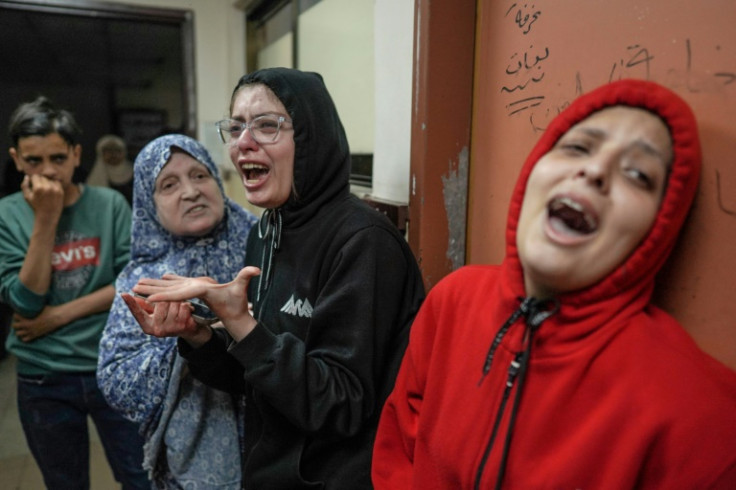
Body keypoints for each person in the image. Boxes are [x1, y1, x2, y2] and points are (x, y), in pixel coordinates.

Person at [371, 79, 736, 489]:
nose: (595, 170)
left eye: (637, 174)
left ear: (656, 230)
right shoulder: (452, 301)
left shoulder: (700, 416)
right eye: (578, 147)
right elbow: (400, 447)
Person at [123, 68, 426, 489]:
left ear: (311, 137)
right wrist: (198, 336)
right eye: (235, 126)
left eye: (267, 125)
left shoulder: (363, 243)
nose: (243, 142)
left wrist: (242, 324)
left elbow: (341, 405)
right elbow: (257, 378)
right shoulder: (266, 230)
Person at [0, 96, 149, 489]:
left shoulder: (110, 205)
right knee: (65, 483)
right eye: (33, 161)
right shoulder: (7, 214)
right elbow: (25, 301)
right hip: (44, 377)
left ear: (76, 154)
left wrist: (58, 316)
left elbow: (132, 281)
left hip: (111, 363)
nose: (48, 171)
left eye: (58, 158)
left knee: (140, 475)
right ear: (16, 159)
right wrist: (46, 218)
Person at [97, 134, 258, 488]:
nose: (190, 191)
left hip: (280, 450)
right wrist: (177, 343)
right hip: (193, 471)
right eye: (169, 184)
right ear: (148, 204)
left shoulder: (263, 246)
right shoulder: (142, 281)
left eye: (200, 176)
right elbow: (114, 381)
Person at [86, 134, 134, 204]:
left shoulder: (136, 173)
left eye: (117, 150)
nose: (113, 154)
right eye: (108, 150)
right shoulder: (95, 178)